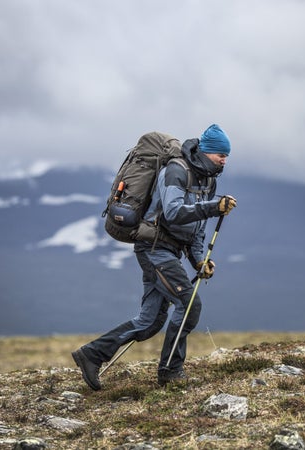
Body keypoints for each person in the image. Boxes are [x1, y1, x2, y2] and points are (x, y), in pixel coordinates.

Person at [72, 124, 237, 389]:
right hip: (153, 248)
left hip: (169, 251)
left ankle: (91, 354)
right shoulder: (176, 170)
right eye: (221, 154)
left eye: (226, 155)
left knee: (149, 322)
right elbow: (173, 212)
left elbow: (196, 231)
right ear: (206, 152)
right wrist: (212, 207)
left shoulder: (208, 179)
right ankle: (171, 371)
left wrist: (198, 261)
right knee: (189, 304)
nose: (224, 159)